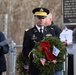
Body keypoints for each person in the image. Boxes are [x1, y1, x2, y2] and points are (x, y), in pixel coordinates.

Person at [22, 7, 57, 75]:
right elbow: (25, 50)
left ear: (46, 18)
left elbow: (55, 47)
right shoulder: (29, 33)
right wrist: (33, 55)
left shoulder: (51, 31)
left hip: (48, 66)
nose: (41, 20)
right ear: (35, 18)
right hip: (35, 67)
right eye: (39, 17)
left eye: (43, 18)